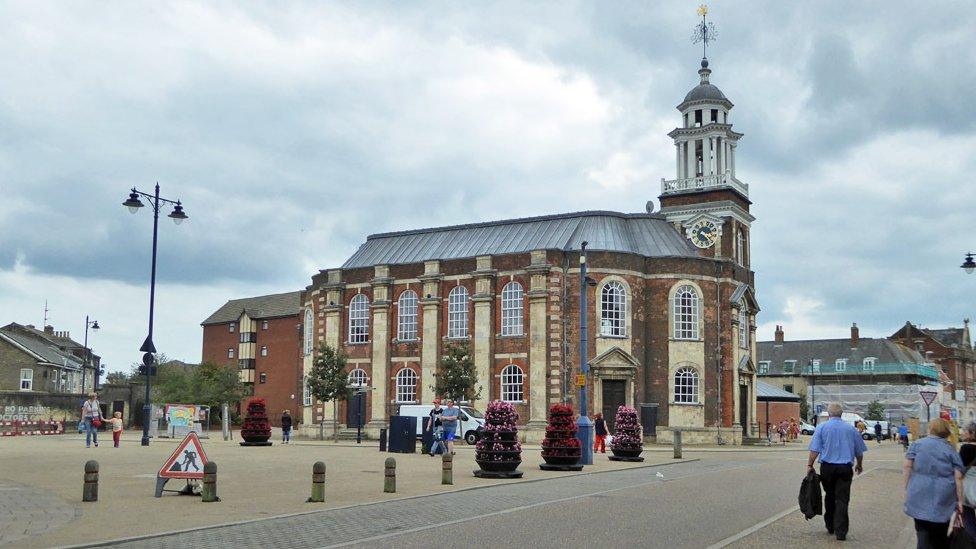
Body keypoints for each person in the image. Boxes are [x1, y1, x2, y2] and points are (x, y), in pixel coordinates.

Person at [807, 402, 868, 541]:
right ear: (842, 414)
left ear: (829, 414)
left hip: (827, 467)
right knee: (842, 498)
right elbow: (859, 451)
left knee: (829, 495)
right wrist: (859, 464)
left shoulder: (822, 427)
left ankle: (830, 525)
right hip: (845, 468)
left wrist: (810, 465)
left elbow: (815, 449)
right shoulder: (851, 429)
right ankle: (841, 531)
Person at [904, 418, 965, 549]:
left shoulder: (917, 444)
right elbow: (958, 477)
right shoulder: (950, 449)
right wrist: (960, 500)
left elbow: (908, 466)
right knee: (941, 532)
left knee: (922, 529)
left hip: (919, 489)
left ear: (930, 429)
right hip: (944, 493)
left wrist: (907, 487)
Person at [959, 421, 976, 540]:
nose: (962, 433)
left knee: (968, 519)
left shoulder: (966, 448)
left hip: (969, 490)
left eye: (965, 430)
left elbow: (959, 471)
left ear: (972, 433)